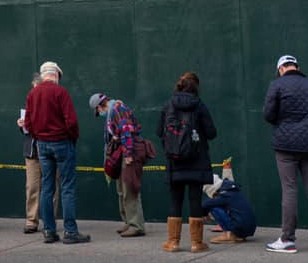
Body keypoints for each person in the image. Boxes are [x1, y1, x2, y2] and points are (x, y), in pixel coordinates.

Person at [262, 55, 308, 254]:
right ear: (297, 67)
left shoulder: (277, 85)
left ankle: (288, 239)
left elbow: (268, 114)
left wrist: (282, 124)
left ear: (281, 69)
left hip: (285, 144)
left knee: (289, 189)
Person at [25, 61, 89, 244]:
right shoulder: (61, 92)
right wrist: (71, 138)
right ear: (55, 75)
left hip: (42, 144)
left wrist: (39, 135)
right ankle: (70, 232)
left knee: (47, 188)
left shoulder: (32, 93)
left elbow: (28, 123)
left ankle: (49, 231)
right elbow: (72, 122)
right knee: (67, 187)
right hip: (62, 142)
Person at [156, 72, 217, 253]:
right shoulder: (199, 106)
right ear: (196, 86)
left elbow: (159, 131)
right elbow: (212, 133)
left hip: (175, 161)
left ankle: (173, 242)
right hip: (197, 160)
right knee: (195, 200)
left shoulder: (168, 104)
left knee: (175, 200)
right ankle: (196, 243)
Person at [89, 91, 145, 237]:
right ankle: (127, 221)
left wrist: (128, 155)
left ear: (100, 106)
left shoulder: (118, 109)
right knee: (121, 189)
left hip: (128, 153)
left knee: (129, 189)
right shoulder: (112, 111)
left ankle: (136, 225)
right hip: (120, 153)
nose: (99, 113)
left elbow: (127, 131)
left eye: (98, 111)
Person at [18, 73, 55, 234]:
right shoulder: (30, 102)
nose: (33, 90)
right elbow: (28, 129)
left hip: (47, 150)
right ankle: (32, 220)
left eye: (36, 87)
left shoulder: (49, 102)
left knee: (51, 187)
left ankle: (49, 220)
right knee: (32, 187)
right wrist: (22, 124)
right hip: (32, 151)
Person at [203, 174, 257, 244]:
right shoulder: (232, 191)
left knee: (213, 207)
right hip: (248, 228)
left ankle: (228, 235)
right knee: (219, 206)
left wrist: (204, 213)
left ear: (213, 190)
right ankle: (238, 236)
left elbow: (205, 204)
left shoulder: (225, 195)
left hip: (240, 227)